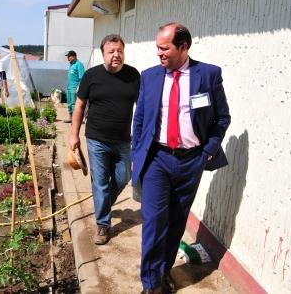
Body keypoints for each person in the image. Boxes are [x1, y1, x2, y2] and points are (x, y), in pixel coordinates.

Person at [132, 23, 231, 294]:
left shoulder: (208, 75)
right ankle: (151, 284)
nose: (159, 53)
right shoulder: (150, 76)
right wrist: (136, 153)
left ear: (183, 47)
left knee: (176, 222)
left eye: (164, 48)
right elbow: (140, 119)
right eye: (158, 48)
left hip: (191, 162)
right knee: (153, 222)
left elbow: (222, 118)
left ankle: (163, 272)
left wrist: (206, 151)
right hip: (157, 160)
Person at [69, 35, 140, 245]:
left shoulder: (133, 76)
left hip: (123, 141)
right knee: (100, 183)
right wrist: (74, 134)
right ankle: (103, 224)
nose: (116, 55)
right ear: (103, 54)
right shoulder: (92, 75)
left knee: (123, 177)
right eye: (112, 51)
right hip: (96, 139)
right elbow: (80, 105)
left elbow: (142, 107)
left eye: (120, 51)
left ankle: (103, 205)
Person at [64, 50, 85, 123]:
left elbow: (82, 78)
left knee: (74, 103)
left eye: (69, 56)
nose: (68, 58)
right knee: (69, 103)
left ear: (74, 56)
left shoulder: (79, 65)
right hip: (69, 87)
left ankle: (76, 119)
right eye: (67, 57)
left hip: (75, 87)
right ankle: (71, 118)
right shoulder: (71, 65)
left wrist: (79, 88)